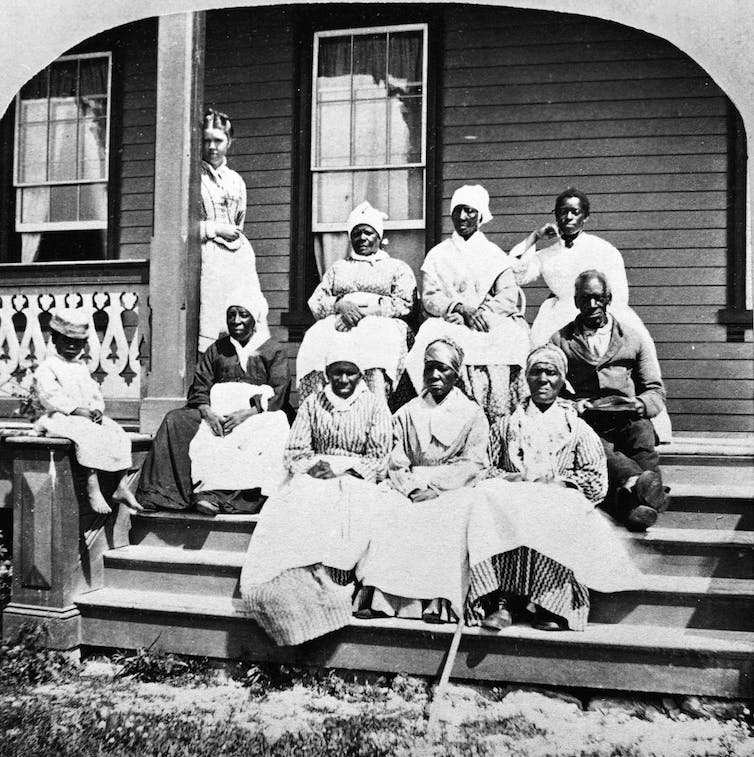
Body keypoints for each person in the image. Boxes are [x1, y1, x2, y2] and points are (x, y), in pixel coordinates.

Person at [467, 344, 640, 632]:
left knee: (557, 506)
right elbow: (483, 469)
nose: (543, 380)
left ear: (562, 380)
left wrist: (561, 481)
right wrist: (511, 479)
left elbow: (596, 480)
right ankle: (503, 602)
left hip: (555, 503)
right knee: (491, 499)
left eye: (551, 373)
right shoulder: (505, 425)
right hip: (513, 501)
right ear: (526, 377)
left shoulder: (576, 429)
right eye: (536, 373)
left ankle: (550, 602)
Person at [240, 343, 393, 646]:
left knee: (350, 503)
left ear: (360, 374)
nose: (344, 380)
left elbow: (378, 455)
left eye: (350, 373)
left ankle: (338, 582)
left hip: (356, 476)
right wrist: (313, 465)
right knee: (294, 503)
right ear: (327, 374)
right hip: (317, 472)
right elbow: (295, 450)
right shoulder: (313, 402)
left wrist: (346, 471)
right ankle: (299, 590)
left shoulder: (374, 404)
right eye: (337, 373)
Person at [509, 187, 672, 440]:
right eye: (562, 212)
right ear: (555, 216)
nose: (568, 218)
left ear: (586, 217)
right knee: (545, 363)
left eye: (575, 212)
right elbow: (516, 273)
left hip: (597, 314)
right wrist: (534, 237)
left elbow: (618, 294)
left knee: (631, 352)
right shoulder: (545, 254)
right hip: (557, 319)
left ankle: (627, 418)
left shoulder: (603, 249)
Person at [354, 338, 490, 624]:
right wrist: (414, 486)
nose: (435, 376)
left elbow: (474, 461)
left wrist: (436, 487)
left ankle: (436, 603)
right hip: (410, 486)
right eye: (429, 368)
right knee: (389, 510)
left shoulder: (472, 414)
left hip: (452, 488)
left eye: (443, 369)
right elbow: (395, 458)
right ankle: (382, 598)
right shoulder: (406, 413)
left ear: (456, 373)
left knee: (450, 516)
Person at [137, 289, 291, 515]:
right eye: (231, 315)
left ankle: (221, 498)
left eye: (243, 315)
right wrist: (207, 412)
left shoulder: (272, 349)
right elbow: (200, 385)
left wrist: (245, 414)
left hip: (254, 413)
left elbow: (280, 391)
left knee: (273, 425)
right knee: (176, 420)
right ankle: (162, 494)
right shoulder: (217, 349)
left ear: (255, 318)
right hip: (216, 413)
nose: (236, 321)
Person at [405, 185, 529, 457]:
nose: (462, 217)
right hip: (449, 320)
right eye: (458, 210)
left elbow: (508, 294)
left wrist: (481, 312)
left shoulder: (494, 254)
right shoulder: (438, 254)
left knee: (511, 336)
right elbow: (429, 297)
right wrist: (458, 308)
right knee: (431, 338)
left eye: (469, 211)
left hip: (485, 320)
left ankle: (496, 421)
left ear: (480, 216)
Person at [550, 270, 669, 532]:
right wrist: (571, 405)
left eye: (597, 298)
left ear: (608, 299)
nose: (591, 305)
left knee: (642, 431)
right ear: (576, 301)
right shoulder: (560, 340)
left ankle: (639, 499)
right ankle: (640, 487)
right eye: (584, 299)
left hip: (627, 417)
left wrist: (639, 404)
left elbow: (654, 390)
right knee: (590, 441)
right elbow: (550, 388)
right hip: (588, 419)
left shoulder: (634, 338)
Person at [297, 201, 417, 407]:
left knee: (377, 346)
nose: (362, 238)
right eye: (357, 233)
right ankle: (318, 409)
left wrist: (365, 312)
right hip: (339, 322)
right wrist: (340, 305)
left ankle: (375, 409)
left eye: (368, 233)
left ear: (379, 236)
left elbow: (405, 302)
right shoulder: (339, 267)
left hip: (381, 323)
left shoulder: (396, 267)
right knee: (315, 339)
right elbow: (317, 300)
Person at [33, 308, 141, 514]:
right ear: (54, 339)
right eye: (66, 340)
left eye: (78, 342)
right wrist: (75, 410)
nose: (72, 345)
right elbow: (49, 395)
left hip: (85, 417)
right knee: (86, 433)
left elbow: (93, 393)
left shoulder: (81, 366)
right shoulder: (49, 366)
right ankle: (92, 486)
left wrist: (96, 409)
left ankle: (121, 484)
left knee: (116, 431)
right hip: (59, 417)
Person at [198, 108, 262, 352]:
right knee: (214, 317)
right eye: (206, 140)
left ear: (229, 142)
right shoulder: (193, 177)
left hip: (238, 257)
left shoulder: (236, 180)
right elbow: (183, 227)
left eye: (218, 140)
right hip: (209, 255)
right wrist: (215, 229)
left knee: (242, 312)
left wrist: (231, 234)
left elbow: (239, 221)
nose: (212, 147)